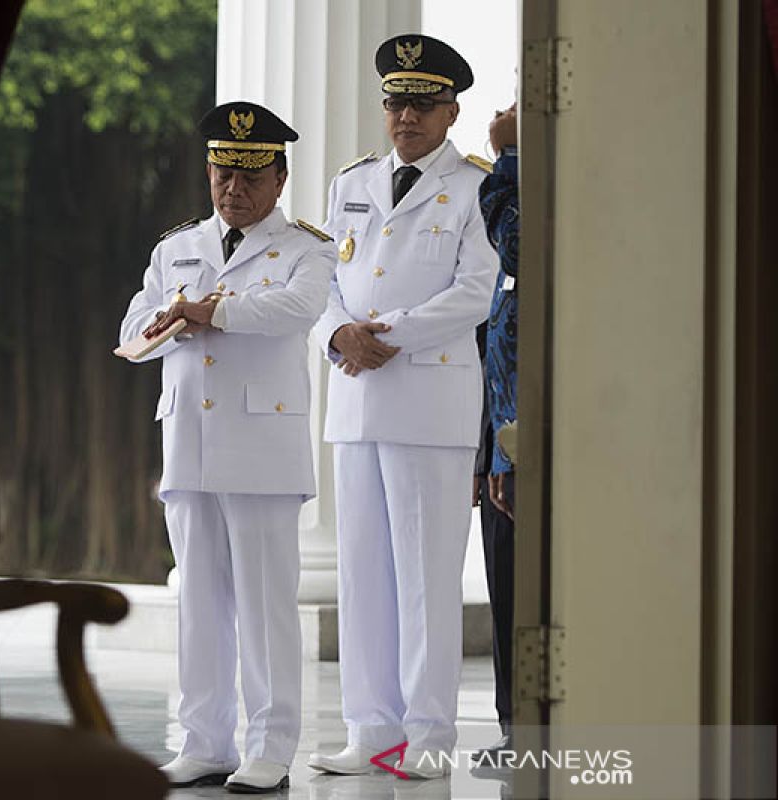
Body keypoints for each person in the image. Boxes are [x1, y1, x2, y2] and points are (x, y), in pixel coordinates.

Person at [119, 101, 336, 793]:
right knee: (200, 604)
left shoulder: (308, 247)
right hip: (189, 443)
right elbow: (133, 328)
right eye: (221, 174)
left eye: (248, 176)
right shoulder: (176, 245)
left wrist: (212, 310)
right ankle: (204, 740)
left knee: (266, 606)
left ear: (279, 177)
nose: (232, 190)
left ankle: (269, 747)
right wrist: (170, 323)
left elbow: (297, 310)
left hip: (262, 450)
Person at [306, 34, 498, 780]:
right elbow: (322, 280)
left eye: (422, 104)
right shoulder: (349, 183)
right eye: (395, 102)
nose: (406, 116)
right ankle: (371, 729)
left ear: (451, 112)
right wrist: (337, 337)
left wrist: (387, 336)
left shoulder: (477, 185)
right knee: (361, 574)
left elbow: (475, 289)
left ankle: (428, 734)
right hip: (356, 400)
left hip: (429, 398)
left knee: (424, 575)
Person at [472, 102, 519, 766]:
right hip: (505, 434)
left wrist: (508, 156)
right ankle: (517, 726)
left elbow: (516, 244)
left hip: (540, 435)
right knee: (506, 578)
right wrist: (488, 452)